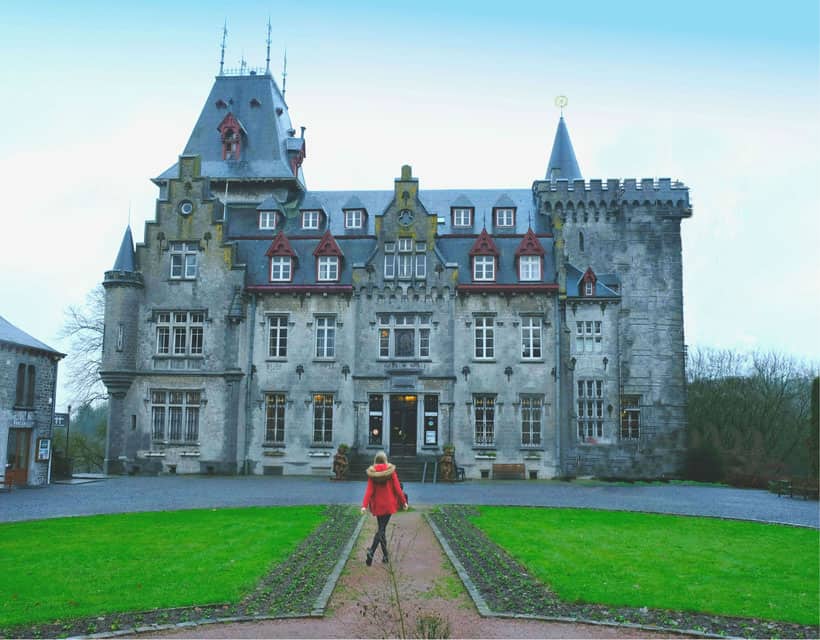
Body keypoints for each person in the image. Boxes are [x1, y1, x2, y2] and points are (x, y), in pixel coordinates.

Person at [360, 451, 408, 565]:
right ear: (385, 460)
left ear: (375, 460)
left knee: (382, 529)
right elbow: (397, 489)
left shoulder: (372, 474)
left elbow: (369, 491)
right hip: (389, 504)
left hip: (378, 505)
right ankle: (372, 551)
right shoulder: (391, 472)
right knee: (381, 529)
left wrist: (364, 505)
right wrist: (404, 502)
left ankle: (385, 556)